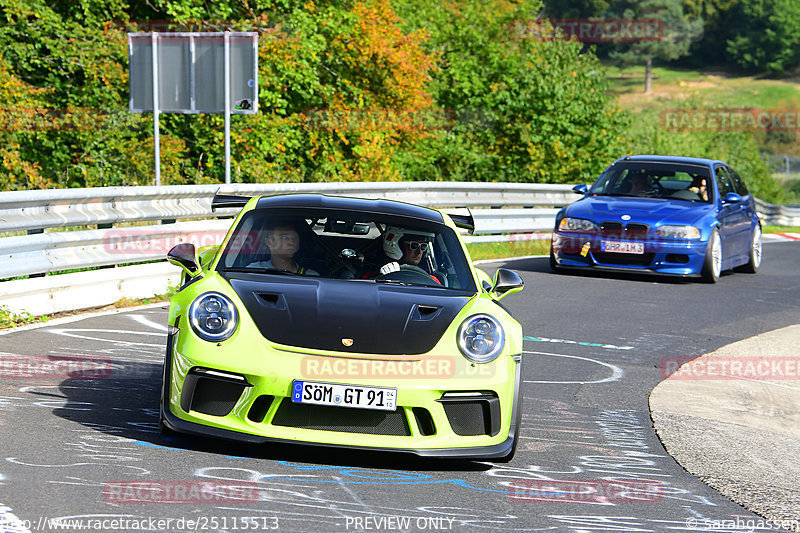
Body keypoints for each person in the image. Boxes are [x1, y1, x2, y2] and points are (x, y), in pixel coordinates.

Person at [248, 223, 319, 275]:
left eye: (294, 237)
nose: (291, 242)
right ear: (269, 242)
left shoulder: (311, 276)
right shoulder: (253, 271)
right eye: (284, 237)